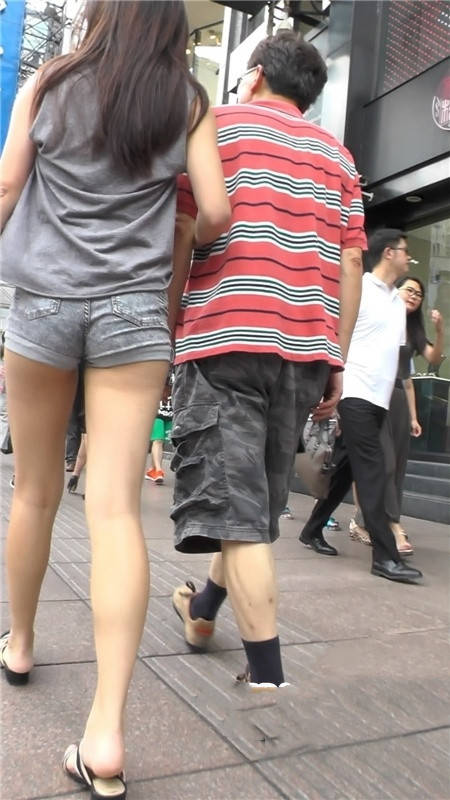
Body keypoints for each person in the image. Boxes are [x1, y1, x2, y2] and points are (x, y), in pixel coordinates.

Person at [0, 2, 230, 798]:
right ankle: (105, 733)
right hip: (135, 312)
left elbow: (7, 185)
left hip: (42, 303)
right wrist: (179, 234)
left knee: (33, 492)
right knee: (114, 513)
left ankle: (20, 642)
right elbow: (217, 212)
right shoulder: (186, 101)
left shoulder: (49, 83)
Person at [170, 31, 365, 690]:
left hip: (224, 336)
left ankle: (267, 677)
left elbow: (183, 228)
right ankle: (203, 610)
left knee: (237, 513)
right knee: (250, 506)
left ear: (253, 75)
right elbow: (350, 262)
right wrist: (336, 356)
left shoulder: (216, 128)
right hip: (305, 350)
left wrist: (166, 328)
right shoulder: (339, 157)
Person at [299, 229, 423, 584]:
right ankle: (385, 557)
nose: (408, 258)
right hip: (354, 395)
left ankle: (311, 529)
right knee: (374, 471)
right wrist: (332, 391)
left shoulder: (397, 303)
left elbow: (396, 357)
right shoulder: (359, 288)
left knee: (347, 473)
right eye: (405, 251)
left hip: (379, 401)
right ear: (388, 253)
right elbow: (336, 335)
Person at [350, 275, 444, 552]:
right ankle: (392, 525)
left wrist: (440, 331)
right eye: (409, 290)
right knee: (385, 463)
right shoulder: (378, 318)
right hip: (371, 395)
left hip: (399, 400)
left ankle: (364, 520)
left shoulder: (412, 331)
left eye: (419, 294)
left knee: (397, 466)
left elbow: (422, 367)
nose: (414, 296)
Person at [145, 378, 173, 485]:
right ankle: (158, 470)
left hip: (170, 412)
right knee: (158, 440)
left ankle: (152, 470)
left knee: (162, 442)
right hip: (156, 412)